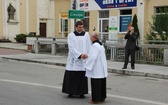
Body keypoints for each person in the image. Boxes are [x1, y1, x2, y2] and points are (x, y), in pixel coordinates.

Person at [62, 21, 91, 98]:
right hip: (74, 58)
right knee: (72, 75)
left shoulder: (86, 35)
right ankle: (70, 92)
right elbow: (71, 47)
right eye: (79, 27)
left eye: (82, 27)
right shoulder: (71, 35)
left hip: (84, 58)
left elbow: (88, 46)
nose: (81, 28)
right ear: (76, 27)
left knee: (82, 76)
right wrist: (79, 55)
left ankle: (81, 92)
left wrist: (87, 55)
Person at [84, 31, 108, 104]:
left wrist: (87, 65)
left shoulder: (95, 45)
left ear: (93, 37)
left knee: (96, 84)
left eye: (90, 36)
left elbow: (93, 57)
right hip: (101, 67)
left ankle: (96, 99)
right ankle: (102, 97)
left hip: (96, 67)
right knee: (102, 83)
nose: (90, 37)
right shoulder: (100, 44)